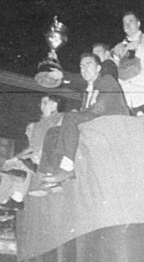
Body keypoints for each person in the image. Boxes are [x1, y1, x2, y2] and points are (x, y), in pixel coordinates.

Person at [42, 52, 130, 185]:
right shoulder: (87, 90)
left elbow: (100, 109)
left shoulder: (107, 80)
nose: (84, 69)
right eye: (81, 66)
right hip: (94, 120)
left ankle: (68, 168)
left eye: (89, 65)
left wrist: (78, 116)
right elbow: (74, 81)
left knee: (70, 117)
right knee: (52, 132)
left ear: (99, 68)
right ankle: (53, 171)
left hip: (111, 122)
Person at [0, 94, 64, 208]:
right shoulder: (38, 125)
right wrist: (15, 157)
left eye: (44, 103)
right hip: (36, 156)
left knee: (20, 167)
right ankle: (8, 196)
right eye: (41, 103)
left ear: (54, 105)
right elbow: (32, 147)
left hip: (48, 153)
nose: (42, 106)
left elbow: (58, 135)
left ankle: (13, 195)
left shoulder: (60, 117)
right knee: (8, 166)